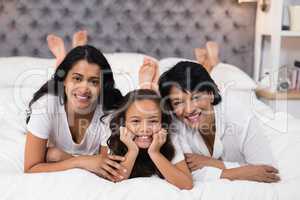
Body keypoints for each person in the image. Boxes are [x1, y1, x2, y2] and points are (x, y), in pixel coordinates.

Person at [158, 61, 280, 183]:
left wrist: (212, 163)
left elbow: (267, 171)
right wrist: (236, 172)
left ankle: (213, 61)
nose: (189, 110)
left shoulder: (239, 115)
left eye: (196, 97)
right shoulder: (175, 123)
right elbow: (188, 171)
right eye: (178, 102)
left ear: (211, 94)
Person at [24, 45, 126, 182]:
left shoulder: (108, 113)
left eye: (94, 81)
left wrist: (60, 157)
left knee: (53, 154)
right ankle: (62, 56)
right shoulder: (45, 105)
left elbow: (106, 172)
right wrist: (80, 161)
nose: (84, 89)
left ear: (101, 87)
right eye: (77, 78)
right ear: (64, 80)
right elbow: (30, 168)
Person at [107, 89, 193, 189]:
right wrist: (132, 150)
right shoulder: (117, 138)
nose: (145, 129)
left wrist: (155, 152)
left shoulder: (169, 138)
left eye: (153, 121)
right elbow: (115, 181)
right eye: (135, 121)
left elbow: (186, 184)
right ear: (124, 123)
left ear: (162, 122)